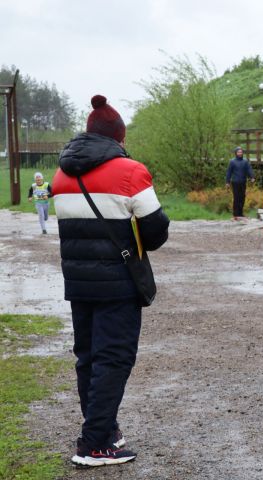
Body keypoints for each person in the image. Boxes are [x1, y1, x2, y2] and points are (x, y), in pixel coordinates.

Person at [53, 95, 170, 466]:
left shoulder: (61, 173)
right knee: (114, 358)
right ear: (118, 137)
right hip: (118, 283)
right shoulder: (130, 171)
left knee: (87, 357)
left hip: (78, 281)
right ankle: (94, 444)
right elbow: (156, 232)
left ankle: (105, 430)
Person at [225, 146, 255, 220]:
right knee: (236, 197)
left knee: (242, 197)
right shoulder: (232, 161)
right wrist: (227, 182)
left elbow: (249, 170)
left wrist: (252, 177)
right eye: (238, 152)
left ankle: (240, 213)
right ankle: (235, 214)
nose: (240, 153)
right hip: (235, 182)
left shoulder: (245, 161)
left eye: (241, 152)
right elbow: (229, 172)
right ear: (236, 153)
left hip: (243, 182)